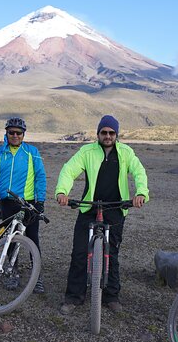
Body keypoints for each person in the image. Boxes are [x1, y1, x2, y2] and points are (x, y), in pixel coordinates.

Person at [55, 115, 149, 314]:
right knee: (80, 253)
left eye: (111, 133)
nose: (107, 136)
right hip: (89, 207)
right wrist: (62, 192)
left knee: (112, 253)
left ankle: (111, 296)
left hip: (115, 208)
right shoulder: (87, 151)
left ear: (116, 134)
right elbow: (69, 170)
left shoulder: (125, 152)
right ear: (98, 133)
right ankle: (73, 297)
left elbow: (139, 171)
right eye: (104, 132)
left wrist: (141, 193)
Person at [0, 117, 47, 293]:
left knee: (33, 238)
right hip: (6, 203)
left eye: (19, 133)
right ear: (6, 133)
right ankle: (13, 273)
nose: (15, 135)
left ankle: (37, 276)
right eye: (12, 132)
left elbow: (41, 177)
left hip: (28, 203)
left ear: (24, 134)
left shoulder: (32, 152)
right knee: (9, 239)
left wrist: (40, 201)